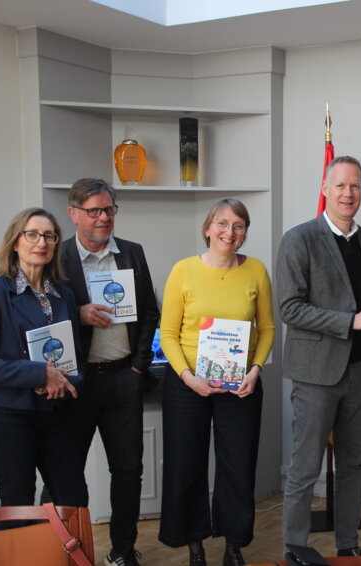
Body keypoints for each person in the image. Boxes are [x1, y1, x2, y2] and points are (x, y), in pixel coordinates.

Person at [276, 155, 361, 554]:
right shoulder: (299, 238)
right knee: (305, 468)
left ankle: (348, 546)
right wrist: (350, 321)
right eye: (340, 185)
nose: (348, 193)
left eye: (355, 186)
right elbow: (289, 308)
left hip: (358, 371)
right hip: (316, 374)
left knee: (353, 465)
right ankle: (293, 549)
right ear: (325, 189)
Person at [158, 198, 274, 566]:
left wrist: (256, 369)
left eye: (238, 225)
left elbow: (267, 328)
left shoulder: (256, 270)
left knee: (237, 467)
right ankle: (194, 546)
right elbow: (168, 333)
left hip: (240, 385)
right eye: (222, 223)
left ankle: (234, 546)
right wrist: (188, 378)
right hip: (187, 384)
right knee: (186, 464)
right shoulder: (183, 271)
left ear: (245, 233)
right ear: (208, 228)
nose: (229, 231)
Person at [61, 178, 159, 566]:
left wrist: (138, 366)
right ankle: (60, 551)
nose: (103, 218)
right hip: (77, 383)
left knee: (128, 472)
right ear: (74, 214)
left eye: (109, 210)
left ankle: (121, 552)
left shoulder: (131, 253)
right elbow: (40, 316)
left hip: (124, 379)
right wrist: (77, 315)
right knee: (65, 473)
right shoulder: (58, 257)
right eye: (94, 211)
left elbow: (150, 312)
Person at [0, 207, 88, 511]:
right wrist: (38, 376)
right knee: (17, 505)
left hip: (57, 413)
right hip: (9, 415)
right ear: (15, 242)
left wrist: (68, 381)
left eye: (49, 236)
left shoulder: (64, 296)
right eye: (32, 234)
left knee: (73, 500)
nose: (41, 242)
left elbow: (76, 358)